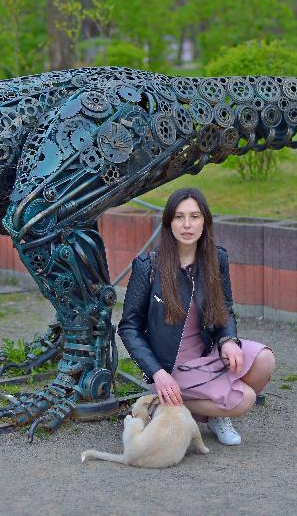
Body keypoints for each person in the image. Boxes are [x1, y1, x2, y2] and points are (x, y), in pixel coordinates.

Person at [118, 187, 276, 446]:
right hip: (172, 367)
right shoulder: (148, 266)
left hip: (208, 353)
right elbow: (128, 328)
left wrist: (227, 340)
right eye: (179, 217)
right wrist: (157, 372)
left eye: (195, 216)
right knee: (245, 399)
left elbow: (224, 307)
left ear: (205, 221)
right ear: (169, 222)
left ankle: (213, 413)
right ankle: (162, 403)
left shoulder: (216, 259)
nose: (187, 224)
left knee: (265, 359)